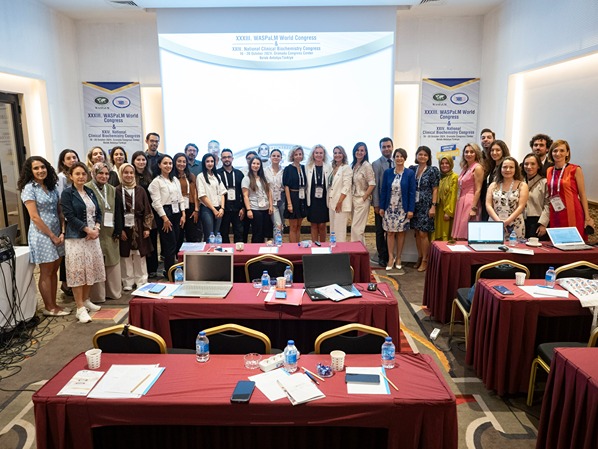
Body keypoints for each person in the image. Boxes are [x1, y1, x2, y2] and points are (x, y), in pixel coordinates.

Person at [18, 156, 69, 317]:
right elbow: (34, 217)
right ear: (30, 171)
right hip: (42, 235)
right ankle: (49, 307)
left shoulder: (51, 187)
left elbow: (59, 211)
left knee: (54, 270)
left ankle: (54, 304)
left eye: (43, 167)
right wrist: (52, 236)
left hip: (57, 233)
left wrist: (62, 231)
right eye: (36, 168)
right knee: (46, 272)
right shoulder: (29, 188)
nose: (40, 170)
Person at [61, 162, 105, 323]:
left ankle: (86, 300)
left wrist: (97, 228)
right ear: (71, 176)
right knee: (78, 271)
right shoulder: (67, 194)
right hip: (76, 238)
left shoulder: (89, 191)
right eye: (77, 174)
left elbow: (98, 212)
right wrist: (87, 230)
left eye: (83, 174)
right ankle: (79, 308)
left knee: (90, 268)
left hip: (93, 237)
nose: (81, 177)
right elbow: (69, 216)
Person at [86, 162, 123, 302]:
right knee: (96, 262)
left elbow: (118, 211)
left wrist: (118, 230)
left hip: (110, 230)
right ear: (94, 174)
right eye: (100, 173)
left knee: (112, 259)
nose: (104, 176)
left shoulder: (112, 189)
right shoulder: (87, 188)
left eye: (107, 173)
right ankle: (98, 296)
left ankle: (113, 292)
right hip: (93, 231)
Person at [546, 139, 595, 240]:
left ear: (567, 153)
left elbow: (582, 194)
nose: (558, 153)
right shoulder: (549, 170)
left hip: (573, 212)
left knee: (574, 242)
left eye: (562, 150)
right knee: (558, 242)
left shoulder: (575, 169)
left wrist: (587, 217)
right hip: (556, 211)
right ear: (551, 153)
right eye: (555, 151)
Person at [116, 163, 154, 291]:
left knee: (139, 255)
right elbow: (115, 212)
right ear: (121, 174)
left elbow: (147, 209)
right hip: (124, 226)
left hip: (139, 225)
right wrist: (119, 230)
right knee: (125, 256)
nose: (129, 175)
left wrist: (147, 227)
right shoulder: (116, 190)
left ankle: (141, 280)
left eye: (131, 173)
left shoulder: (140, 190)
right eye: (125, 172)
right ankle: (127, 281)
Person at [148, 154, 186, 276]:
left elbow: (180, 197)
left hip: (177, 212)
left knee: (177, 242)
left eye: (170, 163)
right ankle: (169, 272)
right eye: (165, 163)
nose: (168, 166)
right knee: (170, 244)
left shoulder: (175, 180)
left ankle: (172, 268)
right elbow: (156, 203)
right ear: (159, 165)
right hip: (164, 214)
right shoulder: (156, 182)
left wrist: (183, 213)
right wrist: (164, 218)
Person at [379, 148, 415, 272]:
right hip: (389, 208)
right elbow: (384, 191)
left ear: (405, 158)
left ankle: (399, 257)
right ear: (394, 158)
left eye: (401, 156)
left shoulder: (409, 173)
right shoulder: (388, 172)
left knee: (400, 233)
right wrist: (382, 207)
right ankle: (391, 258)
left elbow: (412, 193)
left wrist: (410, 210)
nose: (399, 158)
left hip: (402, 209)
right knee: (389, 233)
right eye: (397, 156)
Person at [409, 146, 440, 272]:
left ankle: (425, 260)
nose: (422, 157)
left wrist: (433, 206)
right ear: (416, 156)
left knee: (423, 233)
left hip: (426, 205)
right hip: (415, 205)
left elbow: (435, 189)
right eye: (420, 154)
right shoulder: (412, 169)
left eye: (425, 155)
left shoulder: (433, 170)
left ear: (429, 157)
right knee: (417, 233)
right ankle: (420, 256)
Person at [486, 157, 529, 239]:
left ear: (516, 169)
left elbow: (521, 207)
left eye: (511, 167)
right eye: (505, 167)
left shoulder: (522, 185)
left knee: (514, 246)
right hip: (495, 222)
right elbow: (488, 205)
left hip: (515, 224)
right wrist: (499, 222)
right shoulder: (493, 185)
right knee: (493, 246)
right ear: (500, 169)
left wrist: (506, 222)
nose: (508, 170)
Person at [56, 148, 80, 296]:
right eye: (69, 158)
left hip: (78, 217)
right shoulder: (61, 177)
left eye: (74, 157)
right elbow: (60, 200)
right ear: (63, 162)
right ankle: (66, 284)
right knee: (66, 254)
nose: (72, 160)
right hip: (66, 218)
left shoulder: (79, 174)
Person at [131, 150, 158, 277]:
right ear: (133, 161)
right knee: (140, 240)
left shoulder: (150, 175)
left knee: (151, 239)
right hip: (136, 213)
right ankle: (140, 270)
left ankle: (152, 268)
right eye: (138, 160)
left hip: (150, 212)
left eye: (143, 160)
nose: (141, 162)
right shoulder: (131, 175)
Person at [452, 143, 484, 240]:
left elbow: (478, 189)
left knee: (465, 232)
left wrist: (473, 208)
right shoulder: (465, 168)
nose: (468, 154)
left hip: (470, 201)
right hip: (461, 200)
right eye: (466, 152)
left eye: (471, 152)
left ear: (476, 153)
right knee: (459, 234)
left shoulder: (477, 168)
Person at [371, 137, 394, 267]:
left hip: (395, 204)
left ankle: (391, 255)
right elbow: (375, 186)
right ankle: (382, 256)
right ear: (380, 149)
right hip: (381, 204)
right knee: (380, 231)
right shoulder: (376, 164)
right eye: (384, 147)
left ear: (392, 147)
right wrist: (376, 204)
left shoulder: (397, 161)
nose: (386, 149)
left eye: (388, 146)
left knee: (392, 231)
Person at [242, 156, 273, 243]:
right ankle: (255, 250)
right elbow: (245, 196)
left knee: (266, 233)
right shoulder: (246, 179)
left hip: (266, 208)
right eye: (254, 163)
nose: (256, 165)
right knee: (257, 233)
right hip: (255, 209)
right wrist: (249, 210)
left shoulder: (263, 178)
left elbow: (269, 192)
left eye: (258, 164)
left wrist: (271, 206)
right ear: (250, 165)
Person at [217, 149, 245, 243]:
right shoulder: (217, 174)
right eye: (224, 157)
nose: (227, 159)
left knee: (239, 232)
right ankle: (226, 251)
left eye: (229, 157)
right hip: (223, 209)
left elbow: (243, 193)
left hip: (237, 209)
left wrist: (243, 207)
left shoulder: (239, 174)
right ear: (221, 159)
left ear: (232, 158)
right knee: (223, 233)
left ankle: (239, 251)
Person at [197, 153, 226, 241]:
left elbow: (222, 193)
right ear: (204, 163)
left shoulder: (217, 176)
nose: (210, 163)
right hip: (207, 209)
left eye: (212, 161)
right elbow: (202, 196)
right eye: (207, 161)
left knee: (217, 234)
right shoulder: (200, 176)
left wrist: (222, 208)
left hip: (218, 209)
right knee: (209, 235)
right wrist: (213, 210)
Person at [173, 152, 201, 246]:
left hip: (191, 207)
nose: (181, 164)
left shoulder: (191, 176)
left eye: (184, 162)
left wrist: (196, 209)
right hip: (177, 207)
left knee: (192, 235)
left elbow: (195, 193)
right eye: (179, 161)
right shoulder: (172, 177)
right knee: (178, 235)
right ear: (174, 162)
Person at [350, 142, 376, 244]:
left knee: (356, 229)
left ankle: (355, 251)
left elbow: (372, 184)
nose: (359, 152)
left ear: (365, 152)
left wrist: (363, 198)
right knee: (358, 229)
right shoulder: (353, 165)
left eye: (362, 150)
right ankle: (362, 251)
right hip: (353, 199)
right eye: (357, 150)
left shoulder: (367, 166)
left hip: (362, 199)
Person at [305, 144, 331, 242]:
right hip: (312, 200)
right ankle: (314, 245)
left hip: (324, 200)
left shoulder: (329, 167)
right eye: (316, 153)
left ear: (324, 154)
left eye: (321, 153)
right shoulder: (308, 167)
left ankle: (323, 245)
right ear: (313, 154)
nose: (319, 155)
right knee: (314, 224)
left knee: (322, 225)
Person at [328, 145, 352, 242]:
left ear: (343, 154)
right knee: (333, 230)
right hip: (332, 203)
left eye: (339, 153)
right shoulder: (333, 168)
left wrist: (339, 202)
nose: (337, 155)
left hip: (341, 203)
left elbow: (347, 186)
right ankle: (333, 249)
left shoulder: (346, 168)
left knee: (340, 232)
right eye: (335, 153)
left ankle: (341, 250)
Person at [283, 145, 308, 243]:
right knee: (293, 226)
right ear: (292, 156)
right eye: (296, 154)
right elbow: (286, 186)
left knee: (298, 226)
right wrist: (289, 203)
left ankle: (298, 246)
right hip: (292, 197)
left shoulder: (304, 168)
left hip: (302, 198)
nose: (298, 156)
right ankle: (292, 248)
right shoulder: (288, 169)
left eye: (300, 154)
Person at [522, 153, 550, 239]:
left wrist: (543, 224)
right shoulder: (520, 182)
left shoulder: (544, 182)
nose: (529, 167)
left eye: (533, 164)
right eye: (526, 164)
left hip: (537, 222)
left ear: (538, 166)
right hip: (521, 220)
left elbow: (548, 204)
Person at [482, 140, 510, 221]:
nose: (494, 153)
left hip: (501, 206)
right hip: (490, 204)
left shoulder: (506, 167)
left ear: (503, 151)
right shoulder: (492, 166)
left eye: (498, 150)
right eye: (492, 150)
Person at [432, 156, 458, 241]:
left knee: (445, 233)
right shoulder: (438, 176)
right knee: (436, 234)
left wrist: (448, 212)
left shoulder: (454, 177)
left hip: (447, 210)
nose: (444, 165)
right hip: (438, 210)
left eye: (447, 163)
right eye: (442, 163)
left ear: (451, 164)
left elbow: (453, 196)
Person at [264, 148, 285, 234]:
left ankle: (279, 241)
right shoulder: (265, 171)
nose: (276, 157)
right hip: (271, 201)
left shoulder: (284, 171)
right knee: (278, 224)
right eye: (273, 156)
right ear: (270, 157)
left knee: (282, 225)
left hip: (282, 200)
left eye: (278, 156)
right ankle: (277, 242)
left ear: (281, 158)